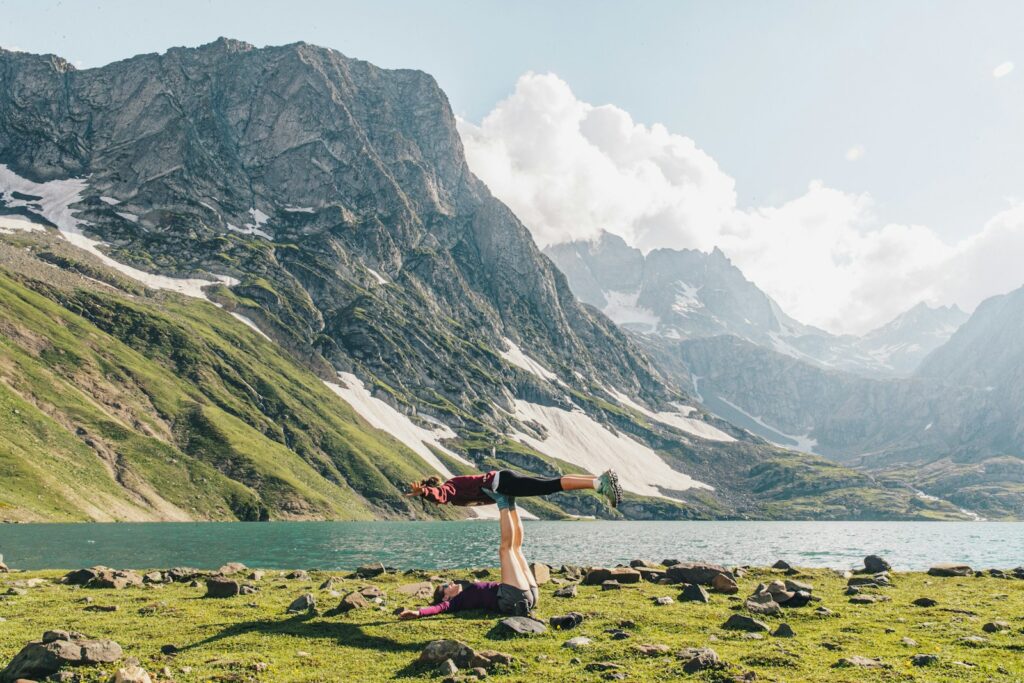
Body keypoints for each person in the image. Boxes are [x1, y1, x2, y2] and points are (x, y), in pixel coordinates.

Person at [397, 495, 540, 619]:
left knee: (516, 549)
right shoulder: (456, 601)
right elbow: (439, 608)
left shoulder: (466, 591)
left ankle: (511, 504)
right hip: (512, 599)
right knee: (505, 550)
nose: (451, 583)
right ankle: (502, 503)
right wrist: (418, 612)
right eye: (446, 586)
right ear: (446, 597)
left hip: (527, 596)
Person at [407, 468, 623, 509]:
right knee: (550, 482)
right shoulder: (453, 487)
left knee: (550, 485)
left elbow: (441, 495)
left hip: (503, 483)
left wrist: (425, 493)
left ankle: (598, 484)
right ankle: (598, 481)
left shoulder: (449, 487)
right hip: (504, 481)